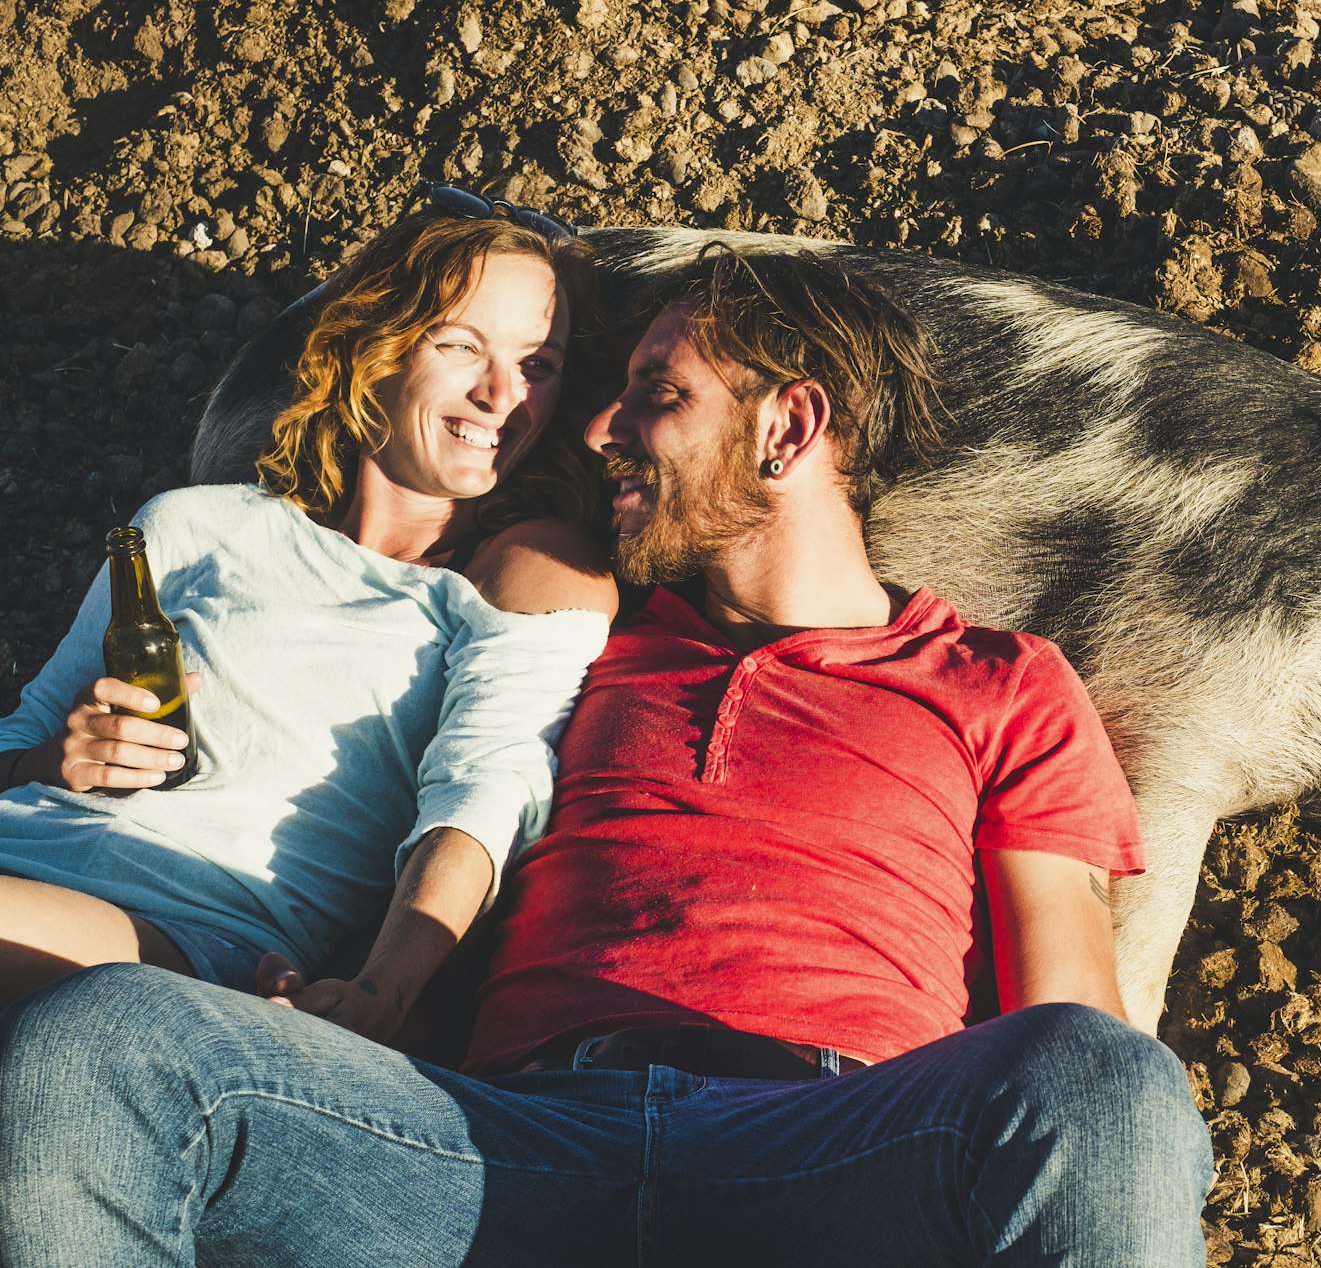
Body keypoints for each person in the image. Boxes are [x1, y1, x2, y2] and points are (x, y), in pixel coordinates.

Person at [0, 246, 1215, 1266]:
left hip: (830, 1143)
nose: (595, 428)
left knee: (1110, 1083)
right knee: (105, 1042)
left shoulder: (998, 679)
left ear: (788, 426)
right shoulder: (576, 628)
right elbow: (438, 758)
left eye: (656, 393)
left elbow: (1065, 1026)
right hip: (495, 1144)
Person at [0, 189, 618, 1041]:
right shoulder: (192, 522)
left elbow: (485, 796)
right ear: (378, 348)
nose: (500, 395)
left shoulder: (519, 572)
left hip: (178, 930)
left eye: (537, 365)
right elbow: (17, 742)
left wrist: (377, 994)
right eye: (459, 346)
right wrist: (54, 754)